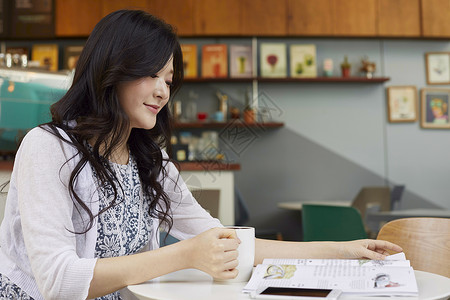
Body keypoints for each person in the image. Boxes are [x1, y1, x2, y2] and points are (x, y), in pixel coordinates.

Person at [0, 9, 402, 300]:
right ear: (111, 70)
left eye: (169, 79)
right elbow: (57, 283)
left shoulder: (151, 164)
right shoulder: (48, 147)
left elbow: (230, 242)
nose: (163, 91)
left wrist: (346, 249)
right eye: (151, 74)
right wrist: (185, 254)